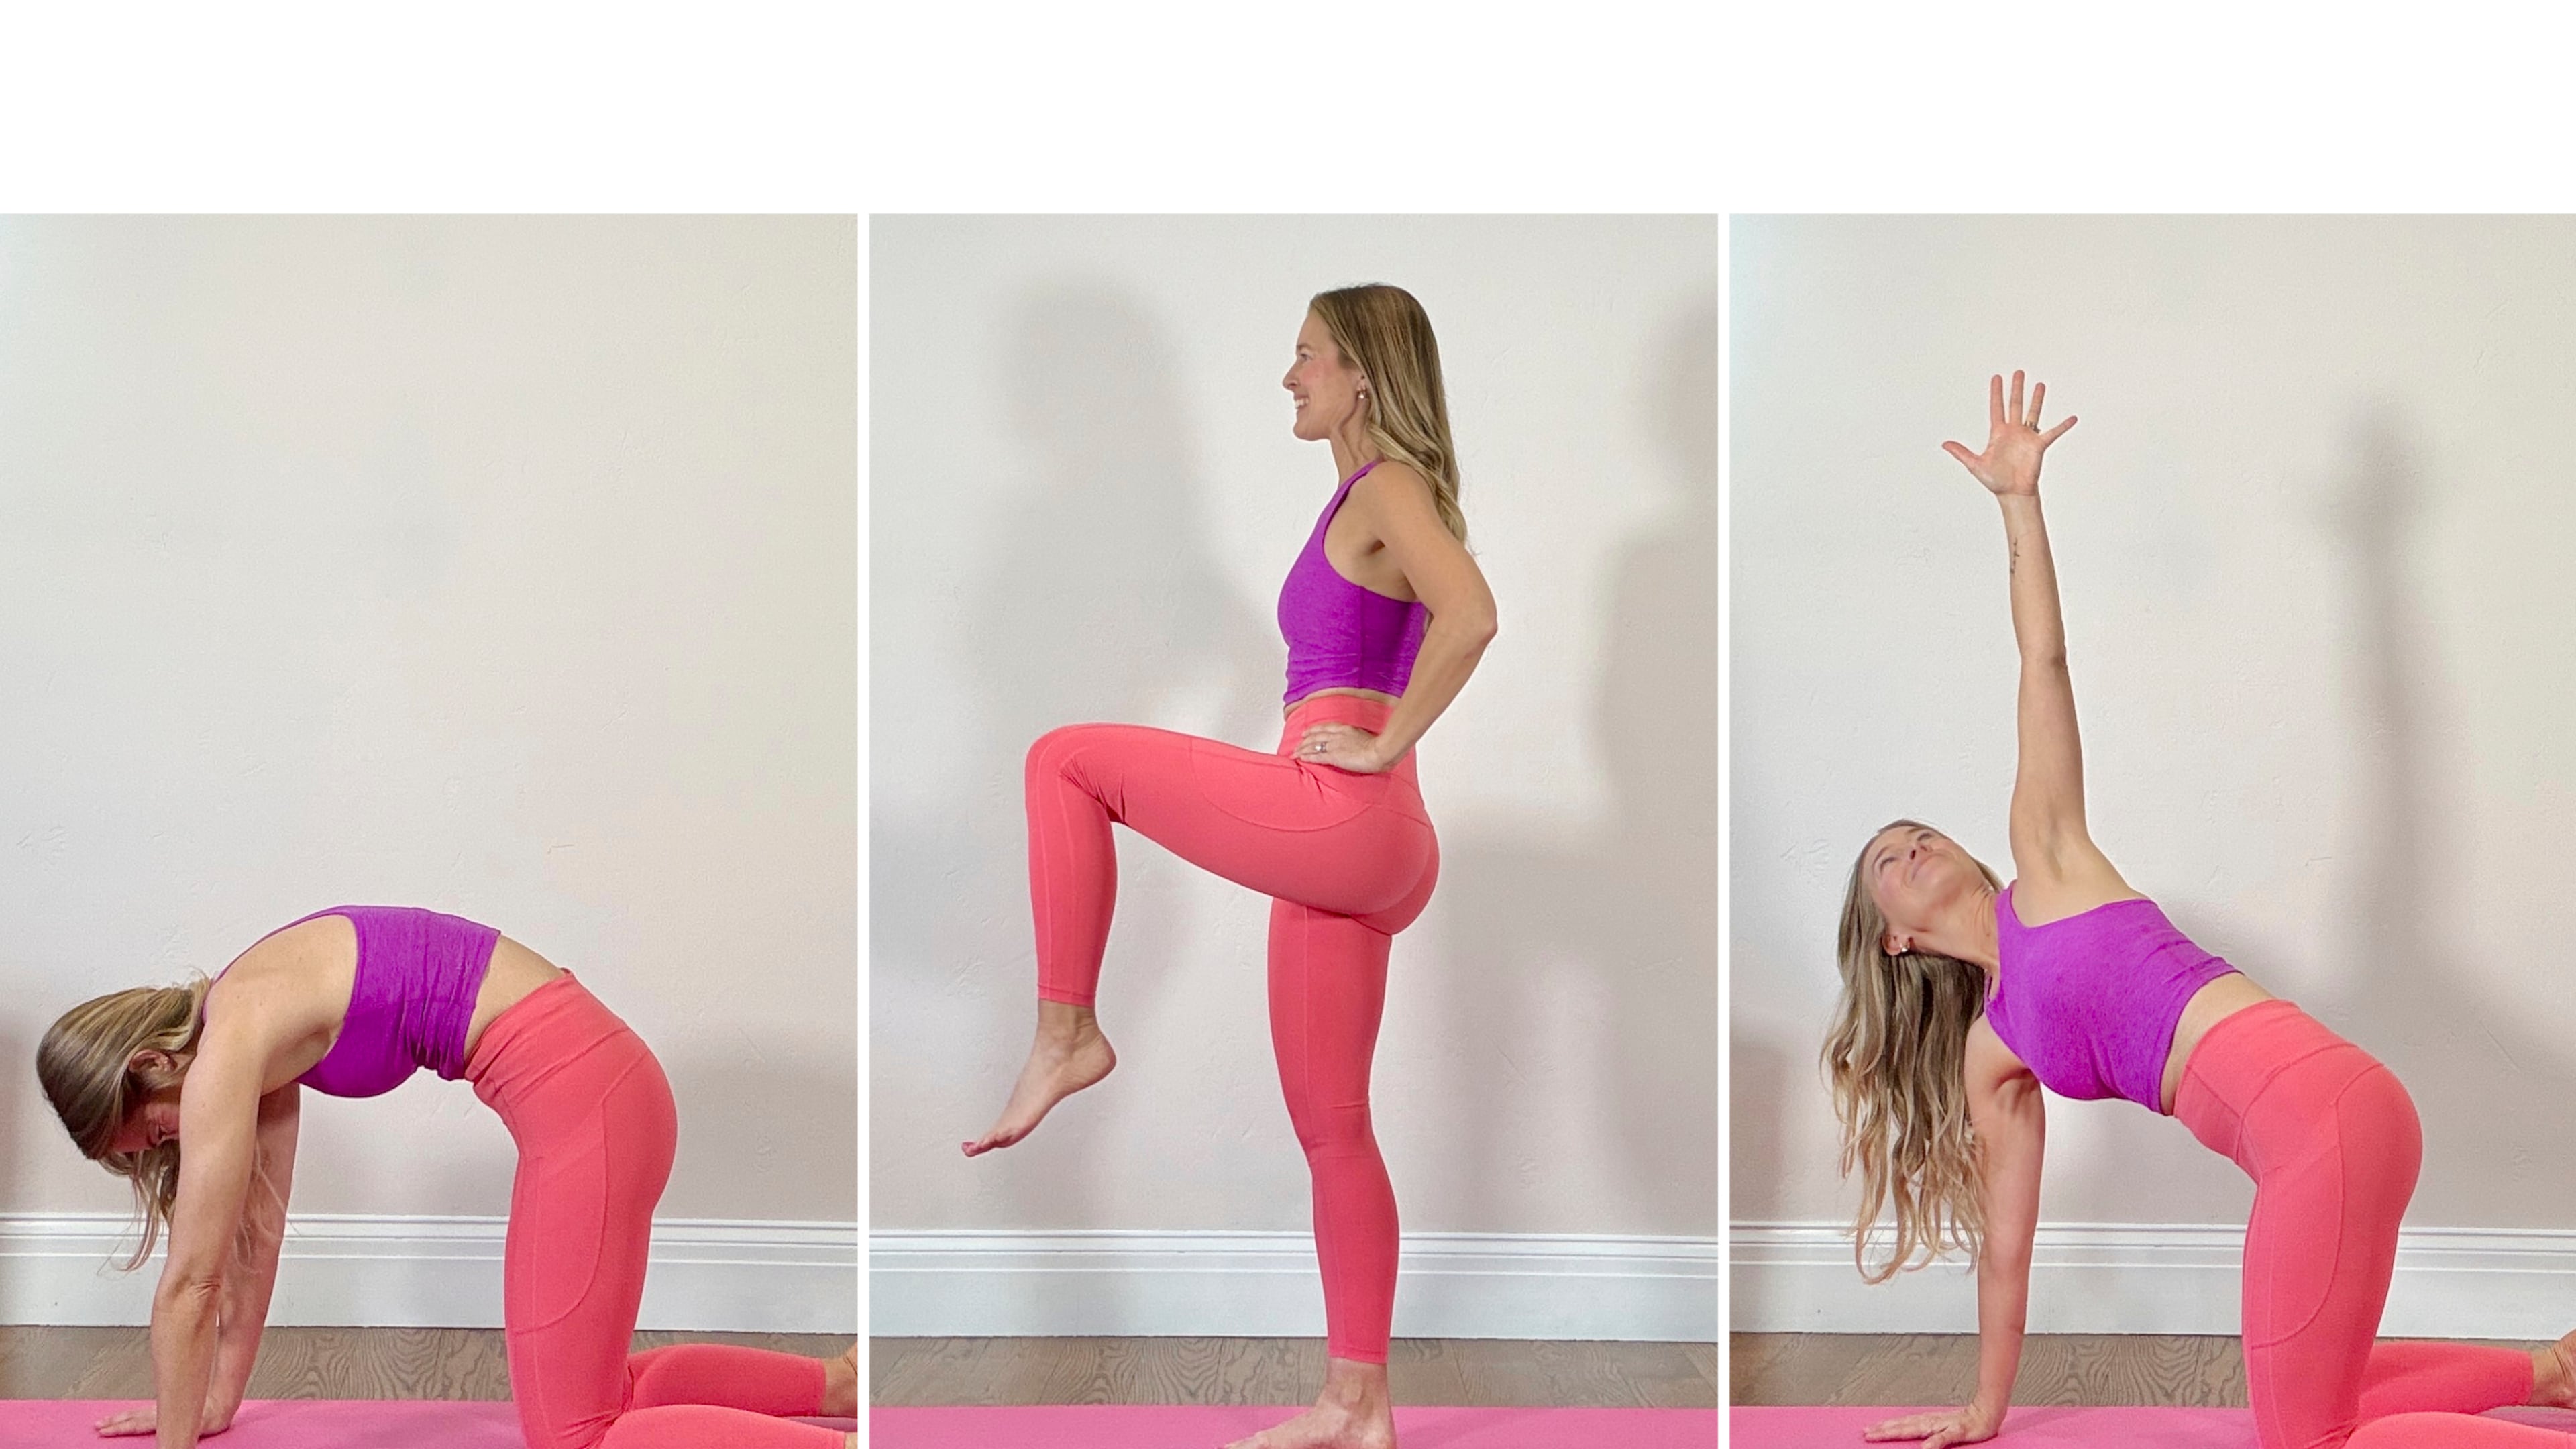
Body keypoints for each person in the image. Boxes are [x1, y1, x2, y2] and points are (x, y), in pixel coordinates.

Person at [1828, 374, 2576, 1449]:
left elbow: (2042, 662)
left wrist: (2018, 503)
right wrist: (1986, 1409)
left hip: (2321, 1121)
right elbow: (2007, 1245)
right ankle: (2549, 1372)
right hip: (2335, 1127)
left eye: (1920, 833)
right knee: (2321, 1395)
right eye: (1886, 864)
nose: (1911, 845)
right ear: (1894, 939)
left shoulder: (2051, 861)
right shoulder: (1994, 1054)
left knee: (2304, 1439)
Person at [965, 282, 1497, 1449]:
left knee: (1065, 760)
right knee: (1334, 1128)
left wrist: (1384, 739)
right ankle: (1357, 1406)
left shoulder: (1388, 486)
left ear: (1364, 373)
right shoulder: (1359, 502)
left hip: (1347, 816)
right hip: (1366, 846)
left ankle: (1066, 1033)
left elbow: (1474, 613)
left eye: (1308, 357)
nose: (1290, 377)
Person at [40, 905, 857, 1449]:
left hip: (589, 1107)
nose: (164, 1146)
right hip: (608, 1089)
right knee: (605, 1389)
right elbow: (255, 1240)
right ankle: (840, 1386)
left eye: (150, 1130)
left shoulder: (232, 1040)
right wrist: (215, 1402)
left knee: (577, 1435)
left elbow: (190, 1284)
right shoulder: (248, 1019)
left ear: (149, 1063)